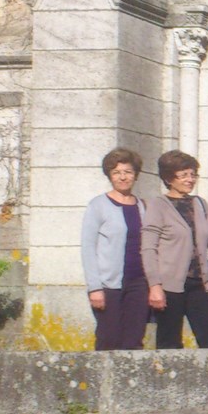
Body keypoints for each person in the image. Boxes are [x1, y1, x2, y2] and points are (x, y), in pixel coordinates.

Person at [141, 150, 208, 349]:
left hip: (200, 284)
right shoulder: (158, 206)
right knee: (169, 343)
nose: (190, 179)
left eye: (193, 174)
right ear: (169, 178)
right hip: (169, 286)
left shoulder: (201, 204)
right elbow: (148, 248)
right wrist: (154, 285)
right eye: (184, 175)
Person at [82, 147, 151, 351]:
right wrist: (94, 287)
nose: (123, 177)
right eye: (116, 172)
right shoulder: (98, 205)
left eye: (128, 172)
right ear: (110, 175)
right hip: (108, 285)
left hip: (138, 284)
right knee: (108, 339)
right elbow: (88, 248)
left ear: (135, 175)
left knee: (134, 341)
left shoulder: (142, 206)